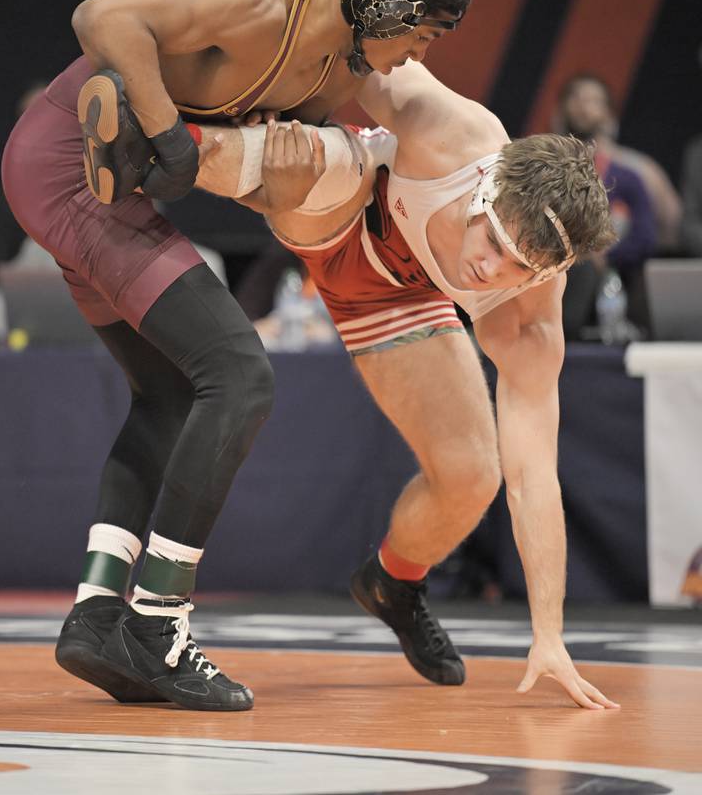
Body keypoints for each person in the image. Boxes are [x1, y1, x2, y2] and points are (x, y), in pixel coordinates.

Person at [1, 0, 472, 711]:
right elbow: (102, 17)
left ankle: (97, 612)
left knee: (171, 395)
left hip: (99, 181)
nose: (417, 57)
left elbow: (244, 173)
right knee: (240, 374)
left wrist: (271, 183)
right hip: (69, 162)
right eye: (421, 35)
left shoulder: (331, 74)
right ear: (389, 4)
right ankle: (158, 626)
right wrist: (162, 134)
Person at [182, 59, 620, 710]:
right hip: (348, 202)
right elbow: (339, 45)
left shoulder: (530, 315)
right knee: (302, 157)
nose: (487, 265)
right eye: (494, 238)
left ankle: (393, 581)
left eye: (516, 266)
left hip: (391, 298)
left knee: (475, 474)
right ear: (490, 185)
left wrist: (549, 634)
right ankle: (160, 142)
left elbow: (536, 477)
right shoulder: (452, 130)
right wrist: (253, 95)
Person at [555, 74, 658, 335]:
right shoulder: (545, 171)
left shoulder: (627, 176)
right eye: (576, 98)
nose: (583, 106)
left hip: (613, 280)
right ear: (562, 108)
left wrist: (605, 255)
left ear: (608, 114)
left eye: (592, 100)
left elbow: (645, 237)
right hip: (555, 272)